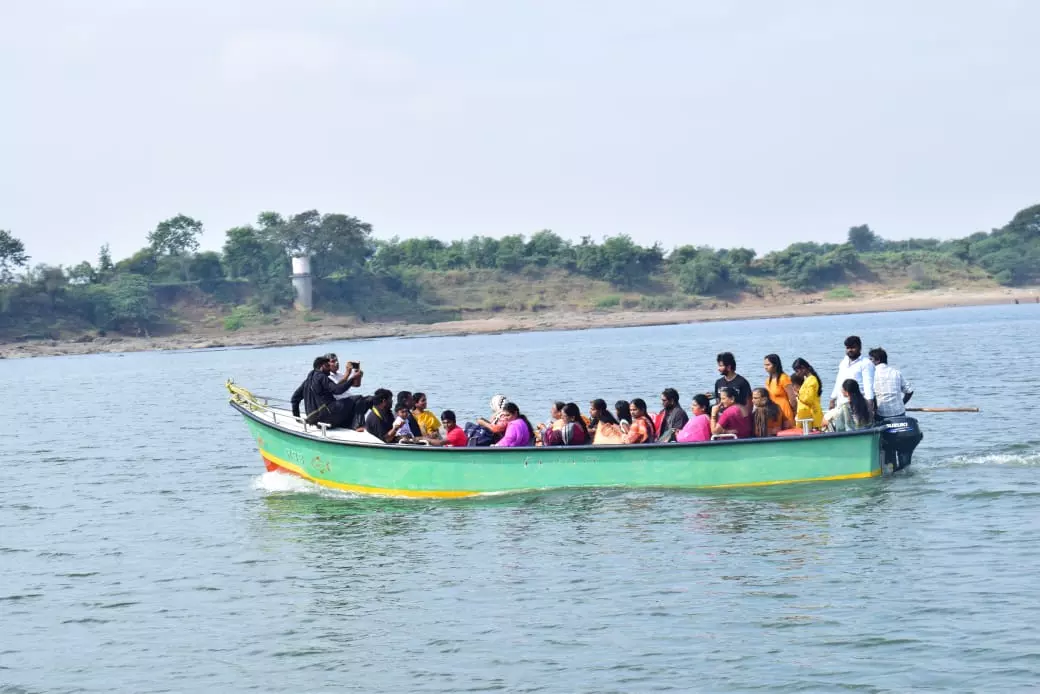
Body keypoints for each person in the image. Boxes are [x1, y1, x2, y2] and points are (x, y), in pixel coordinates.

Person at [290, 356, 359, 427]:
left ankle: (350, 424)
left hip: (312, 419)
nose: (329, 369)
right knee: (358, 399)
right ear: (321, 367)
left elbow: (294, 399)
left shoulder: (306, 382)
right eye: (327, 366)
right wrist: (352, 380)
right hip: (324, 416)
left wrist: (297, 418)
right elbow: (337, 390)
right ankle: (358, 426)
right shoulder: (321, 377)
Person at [829, 336, 875, 413]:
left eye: (853, 347)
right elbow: (838, 382)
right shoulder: (844, 362)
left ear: (860, 347)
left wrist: (870, 405)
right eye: (848, 348)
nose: (850, 350)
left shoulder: (866, 363)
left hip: (858, 405)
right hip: (841, 403)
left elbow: (868, 386)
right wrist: (832, 399)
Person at [869, 347, 914, 420]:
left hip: (881, 414)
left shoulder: (871, 374)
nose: (869, 362)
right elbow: (910, 391)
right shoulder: (896, 372)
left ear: (878, 360)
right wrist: (902, 404)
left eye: (871, 359)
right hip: (899, 412)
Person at [763, 354, 796, 426]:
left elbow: (792, 398)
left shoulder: (783, 378)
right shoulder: (768, 380)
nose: (765, 367)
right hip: (773, 412)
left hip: (784, 410)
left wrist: (795, 412)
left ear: (775, 365)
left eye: (768, 365)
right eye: (765, 365)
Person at [791, 357, 824, 429]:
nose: (796, 374)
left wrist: (798, 394)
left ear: (803, 368)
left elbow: (809, 399)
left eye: (797, 371)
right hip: (806, 416)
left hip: (811, 417)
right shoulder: (808, 379)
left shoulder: (812, 380)